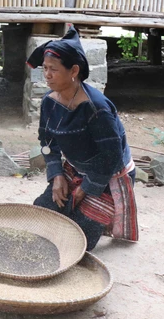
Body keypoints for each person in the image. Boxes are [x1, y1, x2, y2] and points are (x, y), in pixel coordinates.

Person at [27, 28, 137, 251]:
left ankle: (101, 212)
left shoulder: (97, 109)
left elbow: (111, 157)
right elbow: (47, 142)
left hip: (108, 174)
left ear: (74, 70)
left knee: (78, 240)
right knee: (41, 214)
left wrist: (86, 188)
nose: (46, 75)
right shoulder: (50, 101)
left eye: (53, 70)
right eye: (45, 68)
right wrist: (57, 175)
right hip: (76, 168)